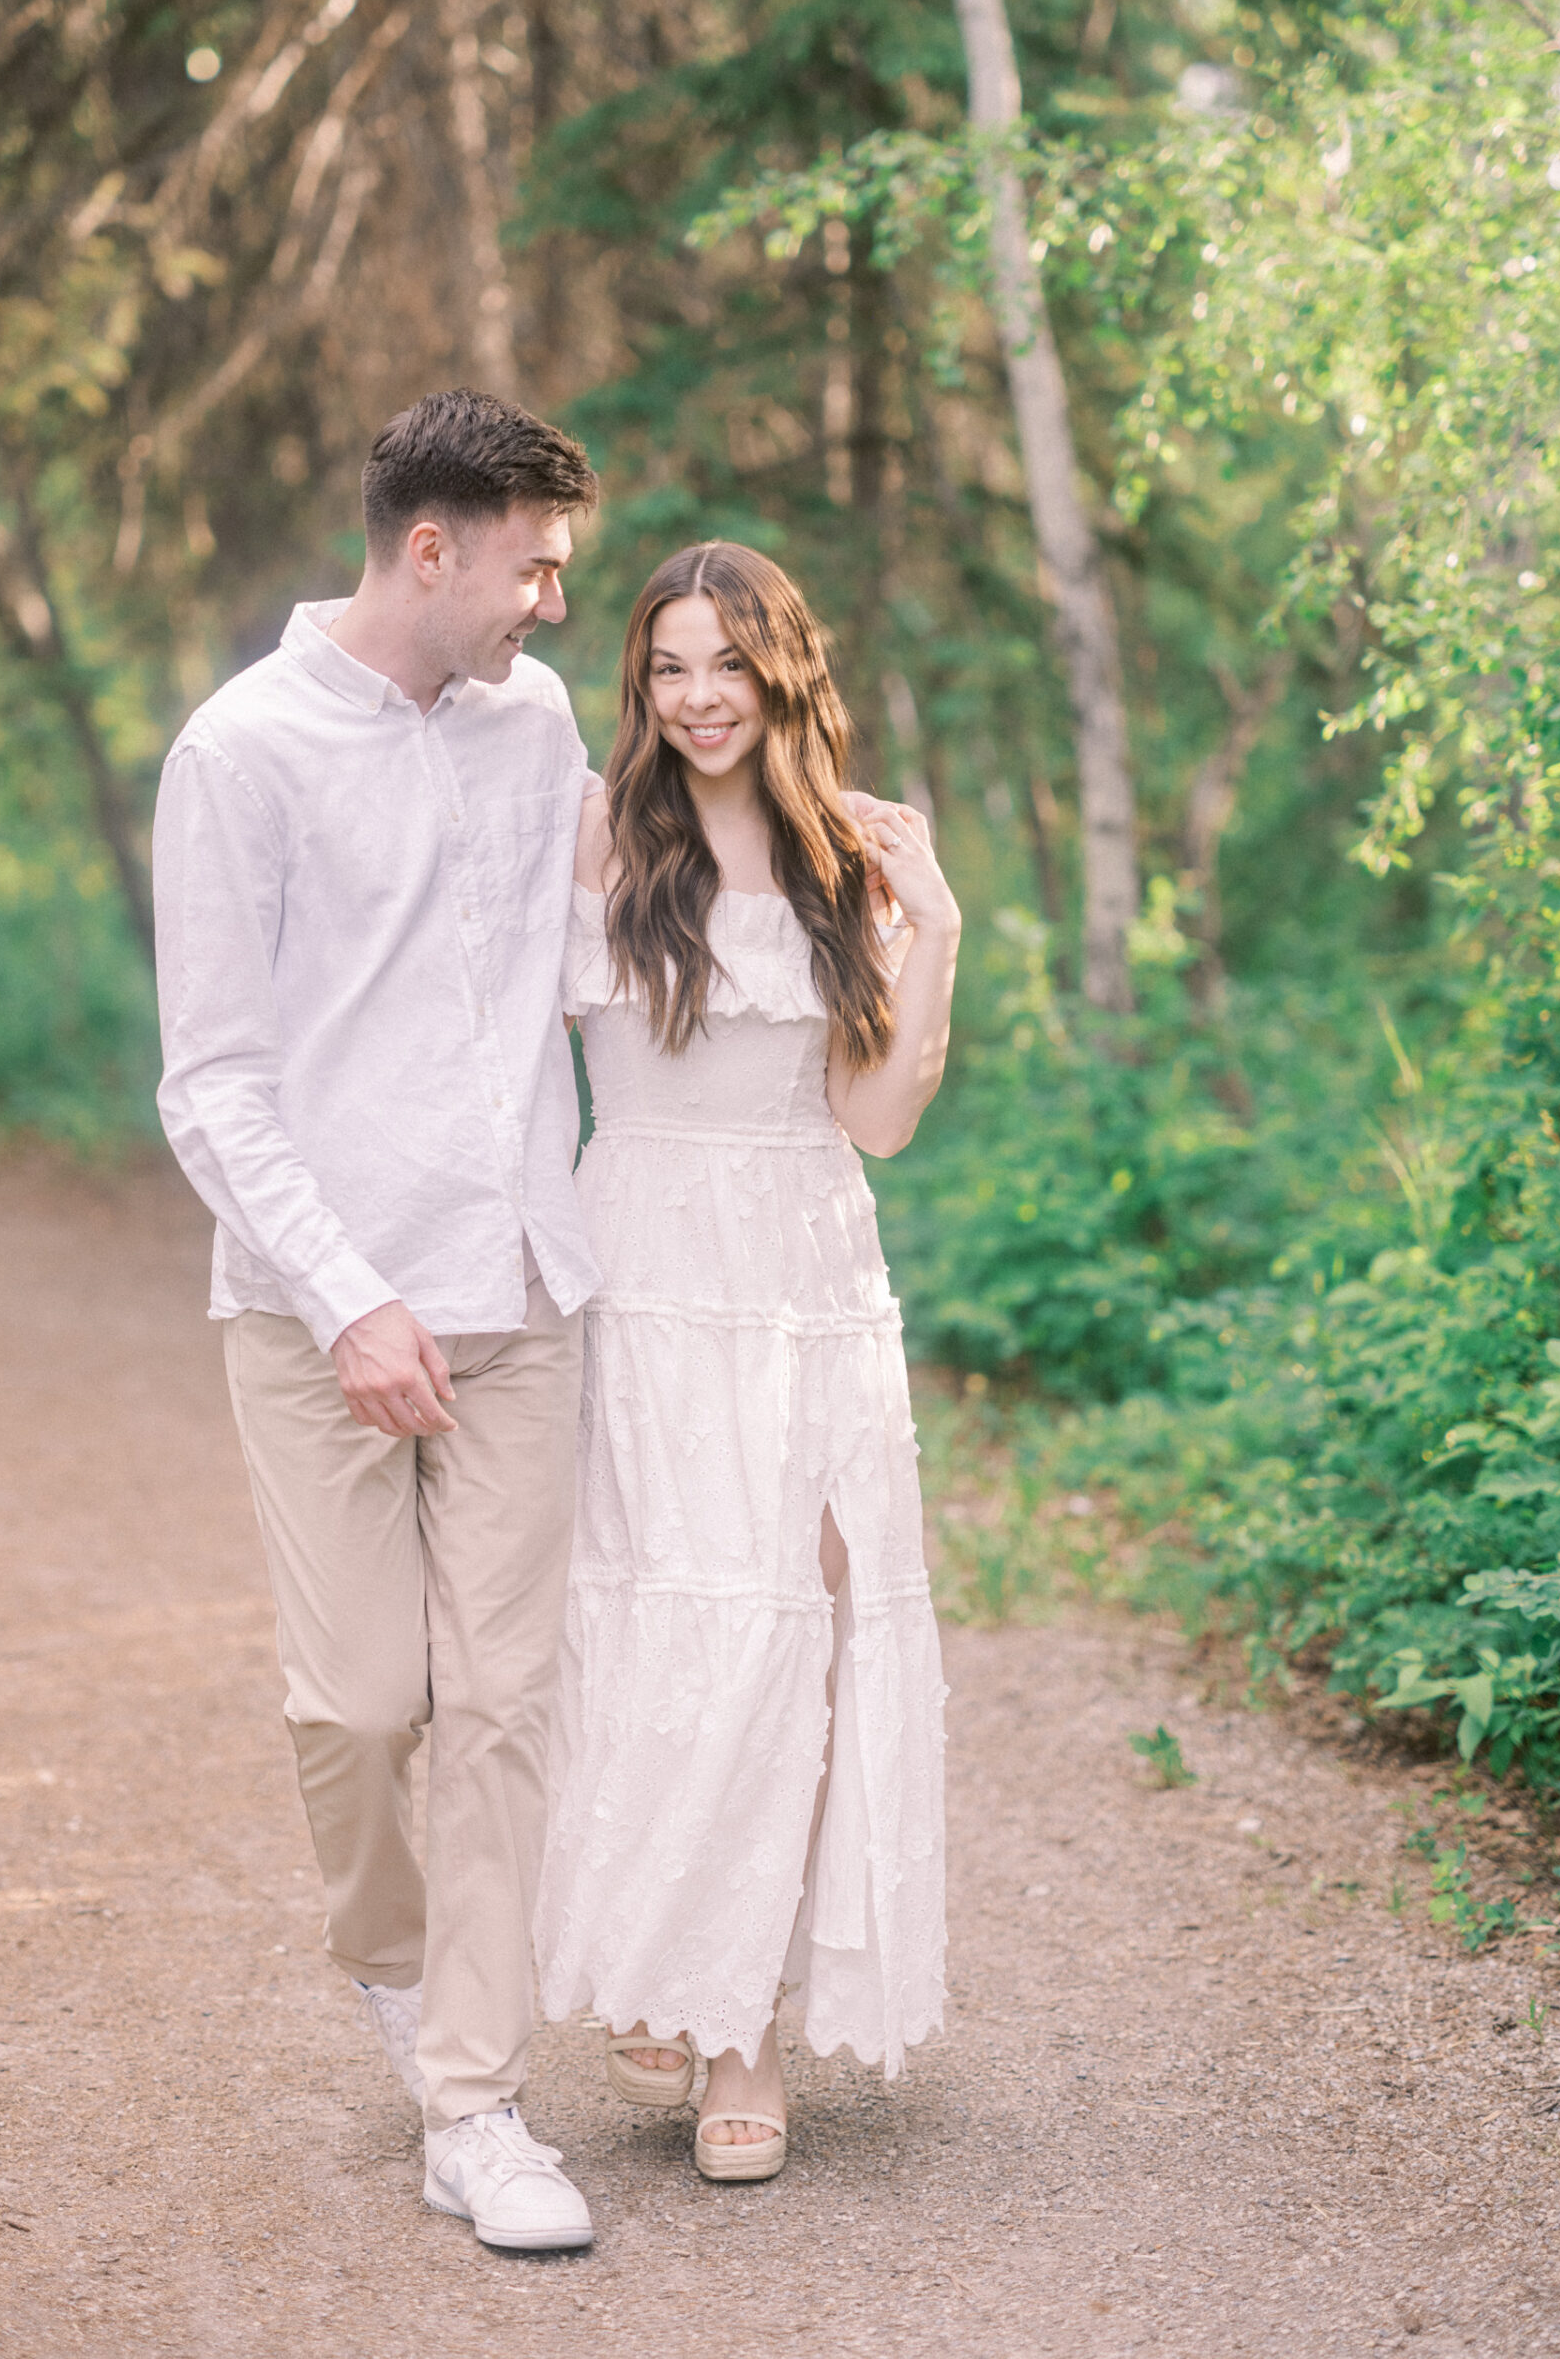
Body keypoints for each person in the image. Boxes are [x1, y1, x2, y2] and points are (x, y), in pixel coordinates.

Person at [152, 390, 606, 2252]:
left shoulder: (543, 721)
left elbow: (585, 968)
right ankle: (402, 1966)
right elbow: (215, 1085)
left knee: (503, 1704)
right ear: (434, 547)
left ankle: (479, 2109)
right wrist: (351, 1301)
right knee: (360, 1706)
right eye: (535, 567)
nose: (552, 607)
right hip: (318, 1307)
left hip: (523, 1291)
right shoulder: (238, 752)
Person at [534, 540, 960, 2182]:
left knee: (810, 1635)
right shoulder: (600, 835)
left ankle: (740, 2005)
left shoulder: (852, 857)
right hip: (643, 1264)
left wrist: (937, 933)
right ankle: (705, 2004)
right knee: (670, 1618)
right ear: (641, 686)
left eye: (727, 665)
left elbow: (876, 1121)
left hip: (807, 1273)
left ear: (784, 675)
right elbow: (508, 1054)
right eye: (669, 668)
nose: (699, 699)